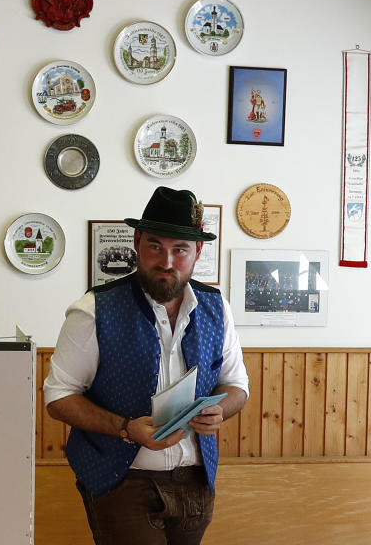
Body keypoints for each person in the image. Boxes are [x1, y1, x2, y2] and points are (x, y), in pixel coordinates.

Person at [44, 186, 249, 545]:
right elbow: (58, 397)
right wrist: (126, 428)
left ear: (197, 251)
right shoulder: (93, 310)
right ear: (137, 241)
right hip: (120, 481)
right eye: (156, 246)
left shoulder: (218, 308)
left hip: (196, 482)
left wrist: (220, 410)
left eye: (180, 249)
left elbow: (236, 386)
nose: (167, 261)